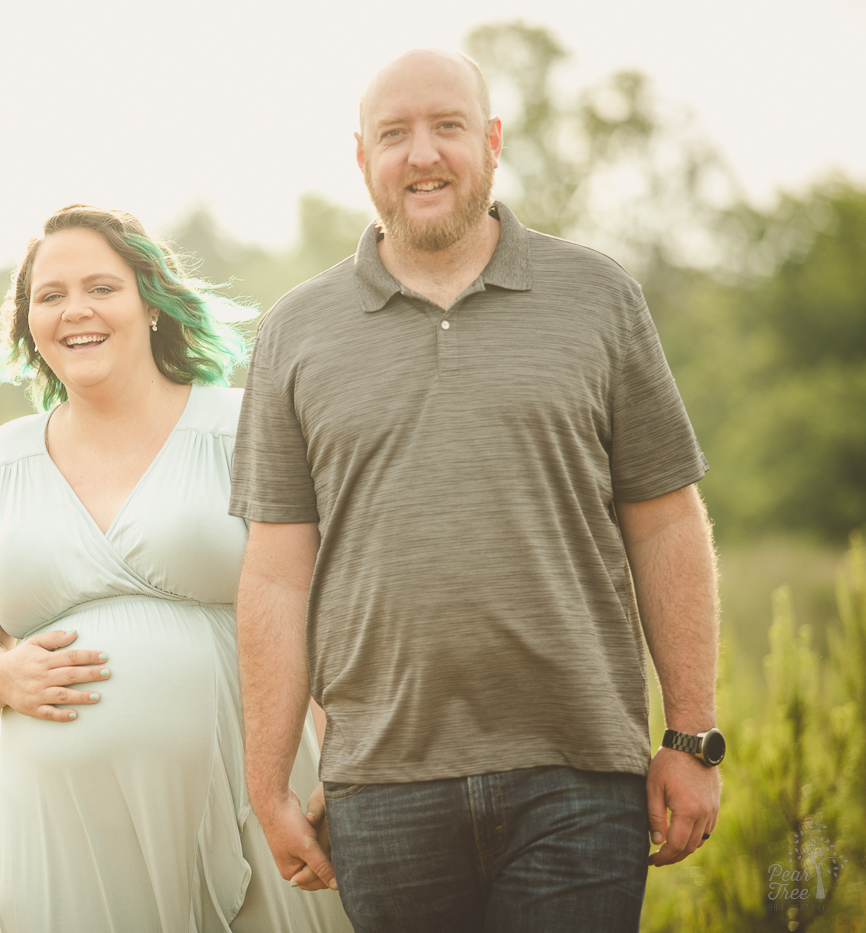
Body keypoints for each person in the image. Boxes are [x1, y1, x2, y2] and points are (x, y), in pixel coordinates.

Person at [230, 49, 723, 932]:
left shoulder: (598, 297)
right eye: (395, 135)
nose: (422, 155)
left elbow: (666, 523)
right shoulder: (294, 333)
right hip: (380, 787)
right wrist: (267, 784)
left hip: (580, 777)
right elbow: (275, 573)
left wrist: (690, 736)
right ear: (361, 159)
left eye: (447, 127)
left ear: (491, 142)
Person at [0, 204, 353, 933]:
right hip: (64, 825)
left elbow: (329, 617)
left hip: (259, 799)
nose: (74, 311)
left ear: (151, 302)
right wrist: (2, 674)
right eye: (48, 296)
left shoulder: (243, 427)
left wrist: (341, 775)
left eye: (101, 287)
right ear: (26, 324)